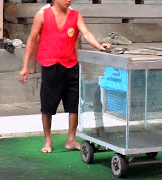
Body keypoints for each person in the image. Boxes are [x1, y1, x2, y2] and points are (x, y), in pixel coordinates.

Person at [19, 0, 111, 153]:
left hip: (71, 65)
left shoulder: (76, 15)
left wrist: (98, 45)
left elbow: (86, 33)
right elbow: (32, 40)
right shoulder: (42, 15)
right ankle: (48, 140)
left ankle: (71, 139)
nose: (69, 0)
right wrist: (25, 66)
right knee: (47, 106)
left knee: (73, 104)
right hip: (50, 65)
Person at [29, 0, 81, 74]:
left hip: (66, 34)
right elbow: (33, 36)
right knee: (36, 38)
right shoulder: (43, 11)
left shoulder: (71, 11)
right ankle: (33, 65)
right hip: (49, 37)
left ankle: (77, 62)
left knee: (77, 37)